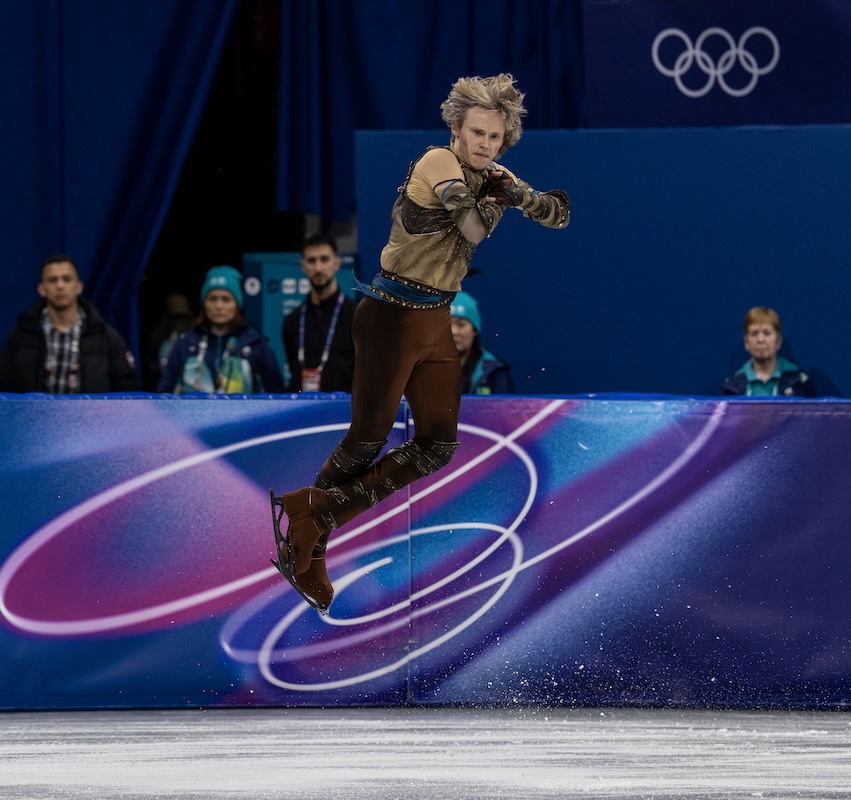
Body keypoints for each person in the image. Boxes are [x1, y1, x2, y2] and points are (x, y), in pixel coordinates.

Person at [269, 73, 570, 614]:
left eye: (494, 138)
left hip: (434, 320)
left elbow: (559, 215)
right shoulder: (438, 162)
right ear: (456, 128)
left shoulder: (492, 174)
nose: (484, 144)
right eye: (476, 132)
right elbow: (473, 231)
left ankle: (315, 519)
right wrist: (510, 193)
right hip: (388, 315)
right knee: (368, 438)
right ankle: (307, 547)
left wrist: (521, 192)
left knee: (437, 445)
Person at [0, 255, 138, 393]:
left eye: (67, 279)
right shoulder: (22, 335)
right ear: (42, 289)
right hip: (34, 414)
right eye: (52, 280)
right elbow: (4, 385)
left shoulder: (106, 337)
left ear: (79, 287)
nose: (60, 286)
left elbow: (125, 388)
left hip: (90, 414)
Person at [157, 265, 284, 394]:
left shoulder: (256, 345)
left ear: (237, 304)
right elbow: (165, 391)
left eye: (226, 299)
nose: (219, 306)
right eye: (212, 299)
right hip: (194, 413)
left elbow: (275, 395)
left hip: (244, 414)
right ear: (204, 304)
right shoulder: (186, 342)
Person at [281, 233, 356, 393]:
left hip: (343, 413)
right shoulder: (292, 321)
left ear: (337, 263)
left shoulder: (356, 316)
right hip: (301, 411)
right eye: (311, 260)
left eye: (324, 259)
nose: (318, 268)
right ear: (303, 266)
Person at [721, 306, 815, 397]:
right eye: (754, 334)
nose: (760, 340)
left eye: (767, 333)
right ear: (746, 343)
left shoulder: (798, 381)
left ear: (778, 341)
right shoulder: (733, 386)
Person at [451, 291, 514, 395]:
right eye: (447, 324)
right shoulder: (420, 370)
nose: (454, 332)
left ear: (475, 330)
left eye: (461, 325)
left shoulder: (493, 373)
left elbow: (505, 409)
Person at [143, 291, 196, 391]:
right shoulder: (161, 327)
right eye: (174, 304)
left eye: (180, 303)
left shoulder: (196, 331)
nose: (177, 306)